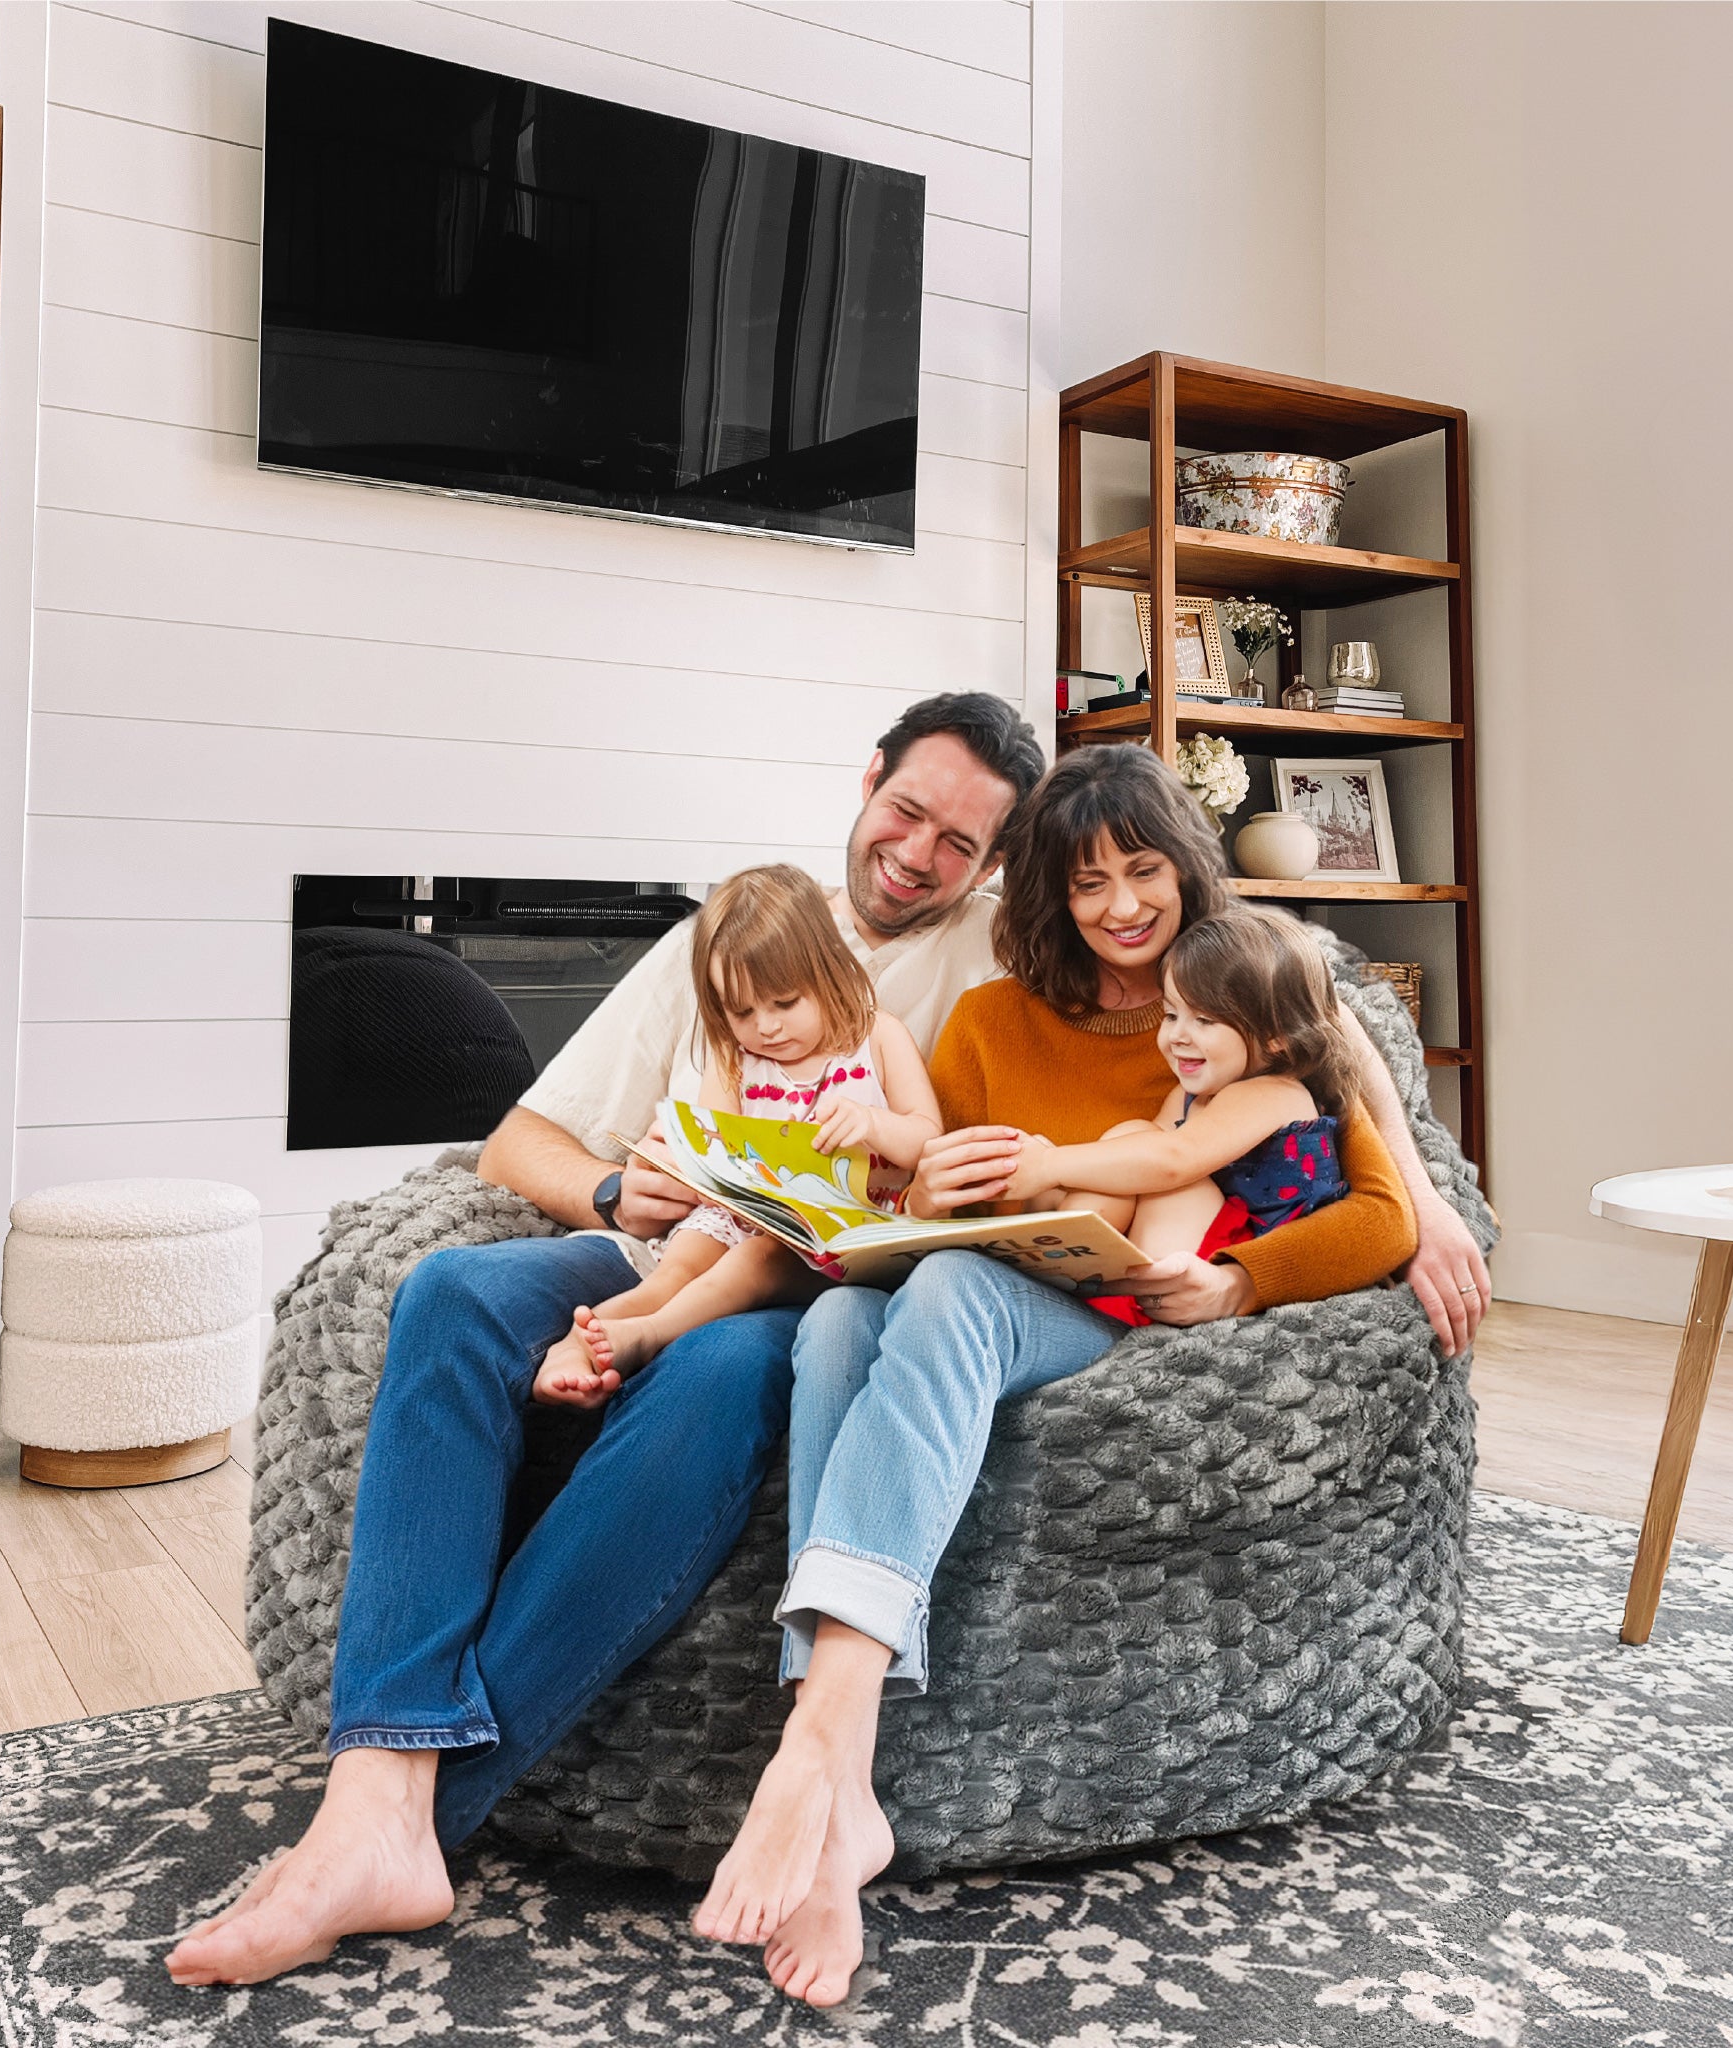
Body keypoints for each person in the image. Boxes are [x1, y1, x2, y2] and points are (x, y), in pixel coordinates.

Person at [164, 692, 1046, 1987]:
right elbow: (519, 1140)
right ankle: (380, 1785)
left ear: (995, 863)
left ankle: (405, 1827)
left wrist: (1406, 1194)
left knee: (720, 1374)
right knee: (451, 1293)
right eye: (907, 812)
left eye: (959, 844)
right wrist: (613, 1195)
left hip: (803, 1293)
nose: (918, 855)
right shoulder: (729, 934)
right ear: (867, 780)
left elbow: (1251, 989)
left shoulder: (992, 963)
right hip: (658, 1242)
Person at [689, 745, 1429, 2008]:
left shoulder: (1232, 1012)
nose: (1122, 905)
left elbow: (1378, 1214)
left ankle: (811, 1738)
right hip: (972, 1278)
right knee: (831, 1331)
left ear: (1186, 870)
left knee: (951, 1292)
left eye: (1144, 870)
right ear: (1048, 892)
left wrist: (1239, 1280)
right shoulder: (985, 1018)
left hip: (1098, 1306)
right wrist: (938, 1180)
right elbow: (915, 1188)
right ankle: (843, 1796)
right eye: (1089, 883)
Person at [535, 864, 942, 1401]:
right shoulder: (736, 1057)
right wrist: (684, 1153)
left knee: (753, 1262)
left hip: (840, 1238)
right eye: (742, 1011)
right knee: (677, 1266)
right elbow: (716, 1154)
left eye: (785, 1003)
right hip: (752, 1217)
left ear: (830, 971)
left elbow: (929, 1141)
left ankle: (647, 1337)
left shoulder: (877, 1037)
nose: (766, 1026)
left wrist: (873, 1124)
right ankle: (576, 1344)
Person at [1007, 905, 1361, 1314]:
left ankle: (1084, 1271)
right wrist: (1048, 1182)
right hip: (1200, 1245)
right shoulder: (1189, 1096)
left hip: (1243, 1269)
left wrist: (1051, 1164)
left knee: (1168, 1178)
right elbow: (1138, 1161)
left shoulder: (1275, 1092)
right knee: (1133, 1138)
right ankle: (1060, 1245)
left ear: (1276, 1035)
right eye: (1171, 1015)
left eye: (1205, 1020)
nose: (1177, 1036)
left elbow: (1173, 1162)